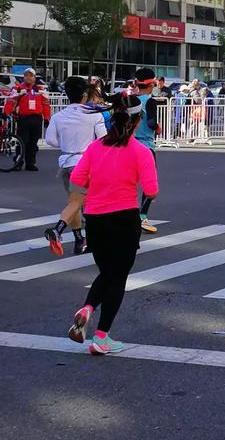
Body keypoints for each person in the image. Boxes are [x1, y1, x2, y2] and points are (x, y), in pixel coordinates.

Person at [65, 95, 159, 355]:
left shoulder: (95, 148)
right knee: (118, 278)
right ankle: (101, 337)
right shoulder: (141, 151)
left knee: (107, 273)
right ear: (138, 121)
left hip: (95, 219)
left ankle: (87, 308)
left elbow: (77, 178)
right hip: (124, 219)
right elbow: (151, 191)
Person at [42, 76, 108, 257]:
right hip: (85, 164)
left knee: (74, 202)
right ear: (85, 94)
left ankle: (80, 240)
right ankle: (57, 230)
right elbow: (103, 139)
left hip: (66, 163)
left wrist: (67, 145)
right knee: (79, 203)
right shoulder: (94, 115)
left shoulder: (58, 116)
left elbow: (50, 140)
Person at [130, 68, 162, 233]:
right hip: (146, 147)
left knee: (129, 182)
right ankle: (142, 216)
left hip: (129, 145)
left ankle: (127, 214)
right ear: (151, 84)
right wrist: (158, 128)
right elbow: (151, 122)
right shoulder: (150, 102)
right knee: (150, 183)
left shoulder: (131, 100)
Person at [5, 68, 51, 170]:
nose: (28, 77)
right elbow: (11, 101)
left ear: (34, 78)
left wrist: (47, 118)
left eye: (31, 75)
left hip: (37, 119)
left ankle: (30, 164)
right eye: (26, 75)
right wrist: (6, 113)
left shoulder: (40, 90)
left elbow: (46, 105)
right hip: (23, 119)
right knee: (22, 141)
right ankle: (18, 162)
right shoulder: (17, 89)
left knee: (33, 142)